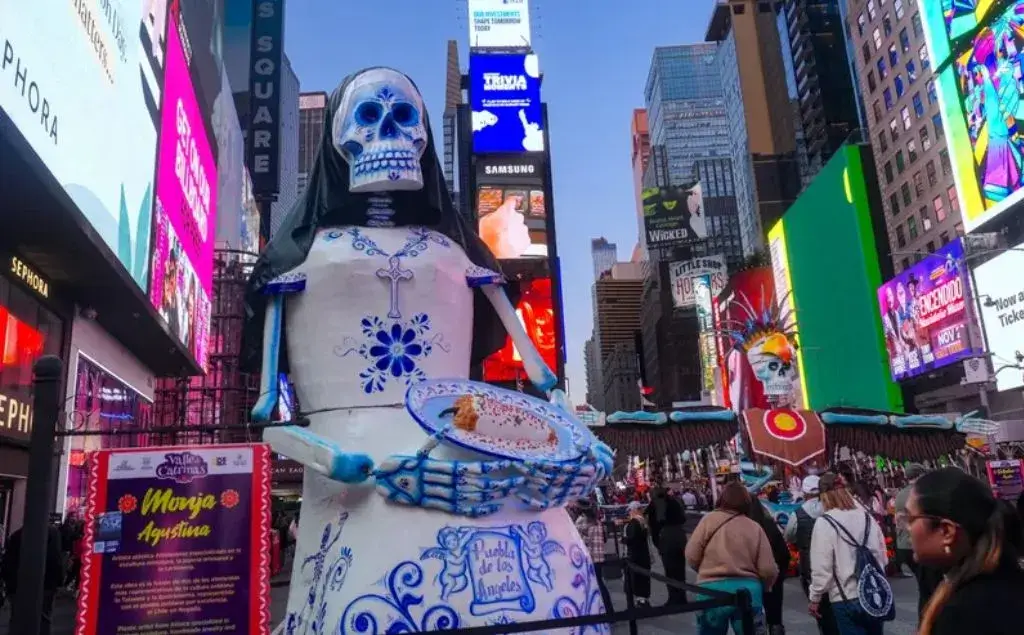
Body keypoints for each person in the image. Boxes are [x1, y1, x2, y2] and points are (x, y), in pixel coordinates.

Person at [909, 467, 1024, 635]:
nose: (907, 529)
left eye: (910, 518)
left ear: (947, 531)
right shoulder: (1006, 579)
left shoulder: (962, 613)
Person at [686, 482, 778, 635]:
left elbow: (691, 555)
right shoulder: (754, 527)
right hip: (748, 591)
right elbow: (768, 569)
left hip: (711, 590)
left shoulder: (708, 521)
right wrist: (766, 586)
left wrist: (705, 570)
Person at [807, 473, 888, 635]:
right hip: (873, 592)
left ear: (824, 496)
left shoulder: (824, 523)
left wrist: (815, 598)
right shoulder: (866, 517)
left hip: (844, 596)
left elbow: (822, 568)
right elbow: (882, 555)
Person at [785, 475, 838, 635]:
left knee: (821, 610)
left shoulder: (797, 514)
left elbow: (789, 536)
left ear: (805, 493)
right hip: (835, 563)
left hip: (809, 565)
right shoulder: (832, 509)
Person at [0, 524, 65, 635]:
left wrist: (8, 582)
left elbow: (8, 562)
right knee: (43, 618)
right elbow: (56, 559)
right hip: (46, 584)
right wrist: (59, 581)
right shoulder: (53, 534)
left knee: (17, 617)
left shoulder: (17, 535)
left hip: (18, 584)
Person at [749, 497, 790, 635]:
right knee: (774, 616)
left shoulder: (741, 527)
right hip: (772, 578)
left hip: (749, 579)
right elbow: (784, 553)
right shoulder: (769, 525)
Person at [646, 486, 689, 606]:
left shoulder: (655, 504)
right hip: (680, 536)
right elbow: (683, 518)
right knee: (680, 569)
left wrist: (658, 545)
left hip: (666, 538)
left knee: (669, 570)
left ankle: (673, 598)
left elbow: (653, 526)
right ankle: (682, 597)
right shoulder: (675, 502)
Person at [576, 502, 614, 617]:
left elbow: (583, 540)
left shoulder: (584, 522)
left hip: (590, 557)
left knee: (594, 584)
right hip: (600, 556)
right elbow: (604, 538)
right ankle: (609, 611)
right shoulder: (597, 522)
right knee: (600, 583)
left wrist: (581, 536)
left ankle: (600, 611)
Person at [622, 501, 652, 606]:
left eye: (630, 510)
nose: (629, 513)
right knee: (644, 579)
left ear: (634, 510)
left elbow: (632, 539)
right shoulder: (643, 521)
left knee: (637, 580)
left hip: (635, 556)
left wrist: (623, 540)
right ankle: (645, 599)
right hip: (644, 554)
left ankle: (640, 601)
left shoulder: (634, 523)